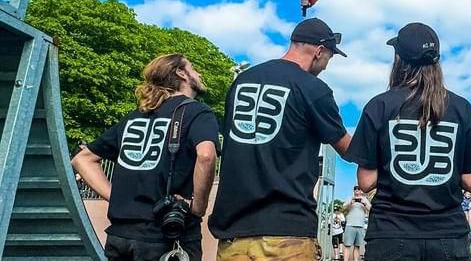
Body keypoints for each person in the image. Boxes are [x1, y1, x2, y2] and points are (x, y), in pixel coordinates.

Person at [346, 22, 471, 261]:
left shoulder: (379, 106)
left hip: (391, 234)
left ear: (399, 60)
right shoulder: (462, 109)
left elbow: (365, 181)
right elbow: (470, 181)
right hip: (448, 235)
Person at [209, 17, 353, 260]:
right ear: (319, 51)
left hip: (234, 233)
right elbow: (348, 149)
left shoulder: (242, 81)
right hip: (286, 233)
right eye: (330, 57)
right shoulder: (313, 89)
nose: (327, 66)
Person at [72, 54, 219, 261]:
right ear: (181, 73)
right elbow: (205, 155)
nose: (199, 73)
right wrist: (198, 207)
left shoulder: (134, 117)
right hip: (165, 237)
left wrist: (115, 196)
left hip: (119, 236)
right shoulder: (197, 112)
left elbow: (82, 159)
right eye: (193, 68)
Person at [343, 186, 370, 261]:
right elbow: (343, 207)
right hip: (350, 225)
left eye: (359, 189)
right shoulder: (350, 198)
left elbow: (370, 209)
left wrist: (364, 203)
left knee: (357, 246)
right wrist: (350, 203)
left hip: (360, 226)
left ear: (361, 191)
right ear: (354, 191)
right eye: (355, 189)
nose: (357, 191)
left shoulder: (365, 199)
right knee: (347, 245)